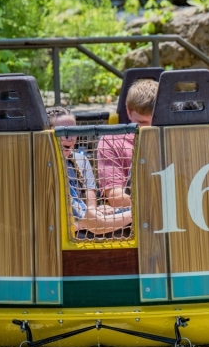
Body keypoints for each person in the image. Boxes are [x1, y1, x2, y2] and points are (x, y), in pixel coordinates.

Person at [48, 106, 132, 236]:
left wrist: (99, 212)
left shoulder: (81, 160)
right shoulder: (49, 169)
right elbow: (92, 223)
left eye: (73, 131)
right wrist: (139, 212)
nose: (70, 138)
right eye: (63, 133)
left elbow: (89, 211)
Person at [98, 79, 157, 208]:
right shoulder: (111, 142)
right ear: (129, 112)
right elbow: (116, 198)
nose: (149, 128)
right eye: (141, 122)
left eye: (155, 122)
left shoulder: (174, 136)